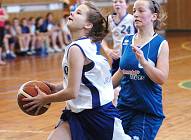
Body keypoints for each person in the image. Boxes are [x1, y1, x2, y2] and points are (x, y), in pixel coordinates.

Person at [23, 1, 131, 140]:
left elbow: (72, 92)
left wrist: (45, 99)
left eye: (78, 12)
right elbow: (83, 80)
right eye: (74, 10)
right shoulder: (86, 44)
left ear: (88, 25)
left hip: (99, 117)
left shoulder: (77, 49)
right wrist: (56, 87)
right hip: (76, 114)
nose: (72, 13)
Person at [112, 0, 169, 139]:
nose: (136, 14)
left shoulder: (161, 44)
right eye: (134, 11)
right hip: (124, 107)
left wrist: (144, 62)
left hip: (147, 110)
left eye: (141, 11)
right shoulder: (127, 40)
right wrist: (99, 89)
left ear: (153, 16)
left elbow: (161, 78)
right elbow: (121, 71)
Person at [102, 0, 135, 76]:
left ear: (127, 5)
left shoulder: (132, 19)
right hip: (117, 57)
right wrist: (107, 50)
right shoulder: (109, 19)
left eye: (120, 1)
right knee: (114, 83)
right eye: (115, 2)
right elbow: (100, 37)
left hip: (130, 56)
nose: (117, 4)